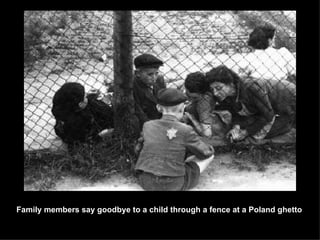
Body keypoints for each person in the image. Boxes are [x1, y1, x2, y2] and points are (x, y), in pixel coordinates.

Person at [134, 88, 215, 191]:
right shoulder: (186, 130)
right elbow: (205, 153)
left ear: (158, 108)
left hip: (146, 182)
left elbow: (138, 149)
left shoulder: (147, 125)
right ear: (182, 109)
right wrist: (209, 148)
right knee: (208, 156)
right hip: (174, 185)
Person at [205, 65, 296, 143]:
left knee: (258, 134)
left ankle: (289, 123)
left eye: (218, 88)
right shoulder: (227, 95)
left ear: (230, 83)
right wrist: (236, 127)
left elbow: (267, 115)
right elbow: (235, 113)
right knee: (251, 128)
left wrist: (246, 132)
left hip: (289, 99)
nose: (215, 93)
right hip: (270, 106)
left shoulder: (251, 87)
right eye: (213, 89)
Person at [52, 82, 114, 148]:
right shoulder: (80, 122)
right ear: (80, 104)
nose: (86, 98)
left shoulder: (61, 106)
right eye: (84, 97)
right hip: (90, 135)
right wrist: (100, 136)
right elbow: (84, 143)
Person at [183, 71, 231, 138]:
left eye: (194, 97)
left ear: (202, 94)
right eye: (187, 95)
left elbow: (207, 134)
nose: (190, 99)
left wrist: (192, 118)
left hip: (198, 118)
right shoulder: (210, 85)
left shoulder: (203, 104)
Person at [133, 53, 167, 129]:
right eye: (150, 74)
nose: (154, 77)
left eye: (156, 73)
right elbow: (138, 112)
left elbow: (165, 101)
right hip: (145, 123)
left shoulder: (160, 79)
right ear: (137, 73)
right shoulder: (132, 86)